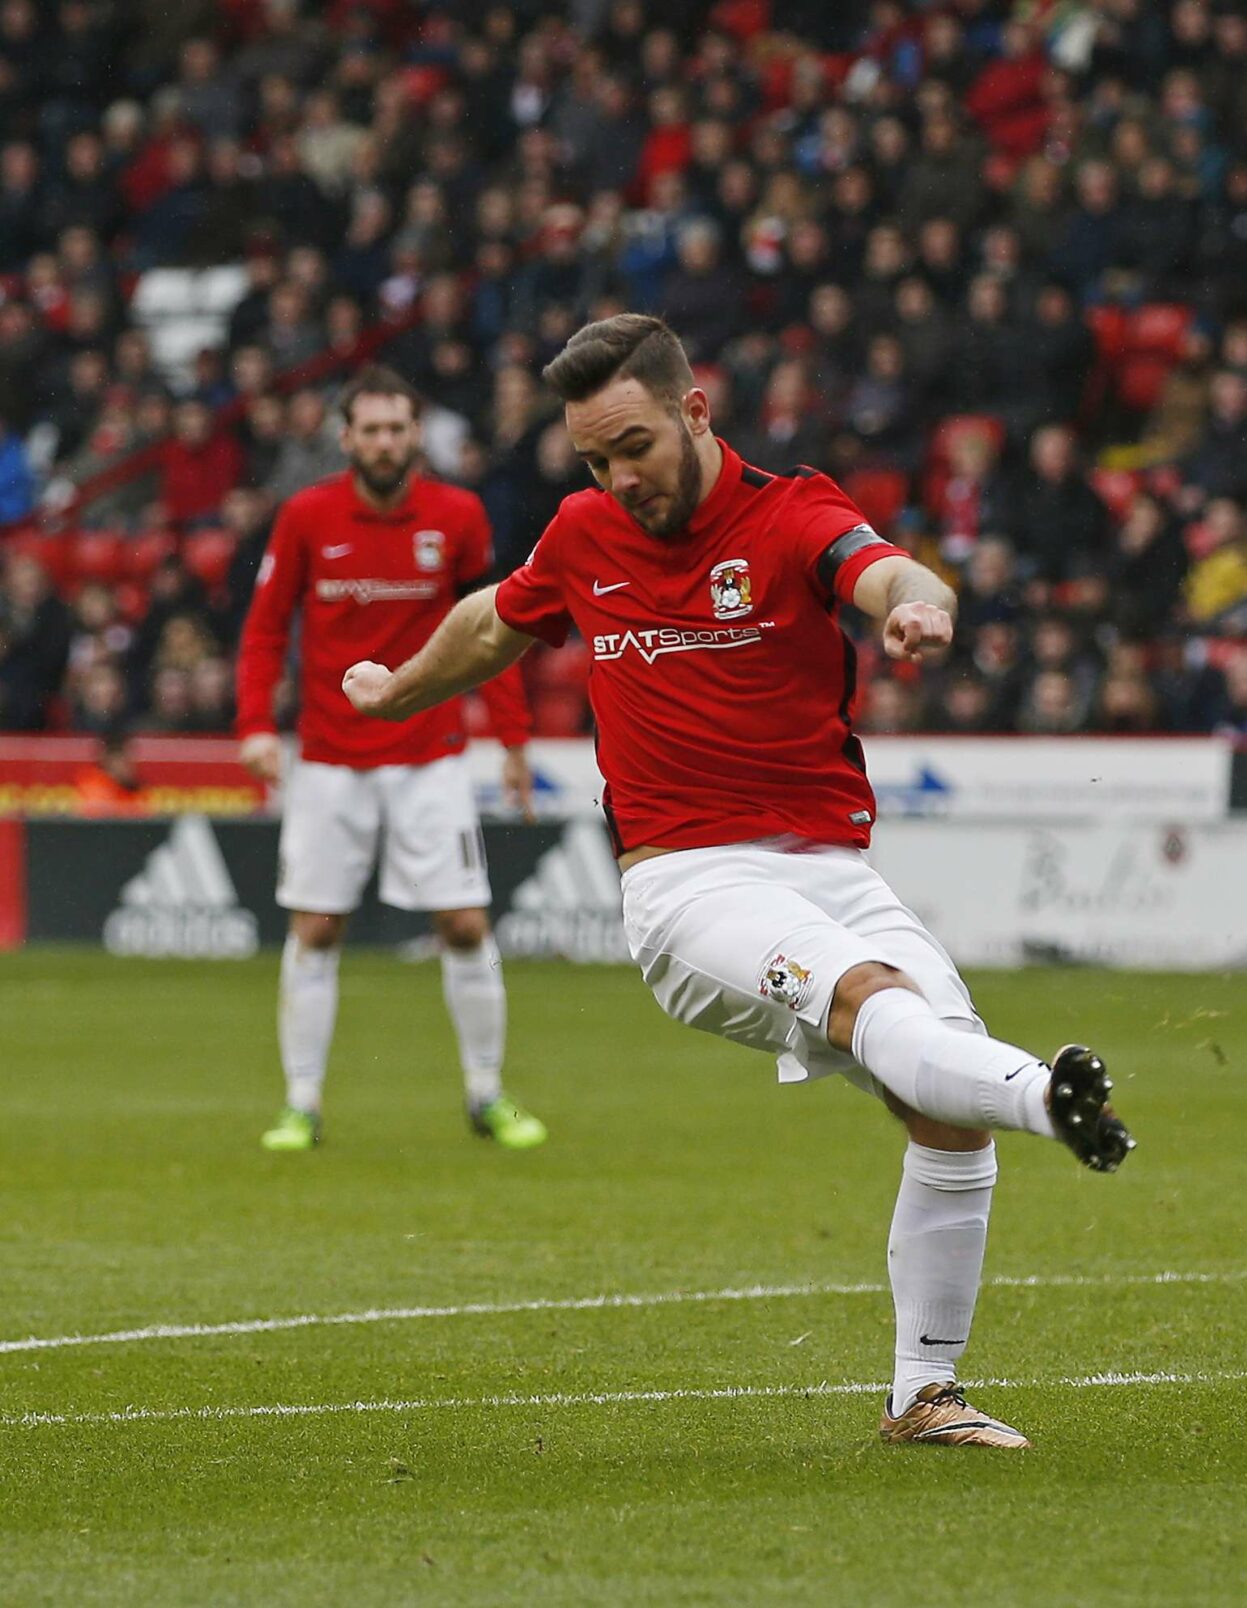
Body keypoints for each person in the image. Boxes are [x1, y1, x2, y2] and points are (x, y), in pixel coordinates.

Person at [338, 315, 1132, 1451]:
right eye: (595, 460)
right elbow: (494, 621)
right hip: (685, 885)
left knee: (947, 1107)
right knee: (873, 1001)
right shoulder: (583, 532)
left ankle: (924, 1395)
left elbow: (884, 568)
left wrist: (921, 608)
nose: (618, 480)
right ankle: (1050, 1097)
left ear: (695, 411)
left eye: (634, 447)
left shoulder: (790, 512)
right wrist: (398, 690)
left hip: (831, 870)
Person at [233, 366, 544, 1154]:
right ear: (346, 438)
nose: (383, 443)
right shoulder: (306, 516)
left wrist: (513, 741)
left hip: (430, 755)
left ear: (416, 436)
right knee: (316, 928)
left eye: (397, 429)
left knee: (465, 924)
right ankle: (301, 1103)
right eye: (370, 430)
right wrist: (256, 723)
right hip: (330, 761)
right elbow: (266, 626)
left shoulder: (458, 515)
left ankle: (487, 1094)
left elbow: (492, 630)